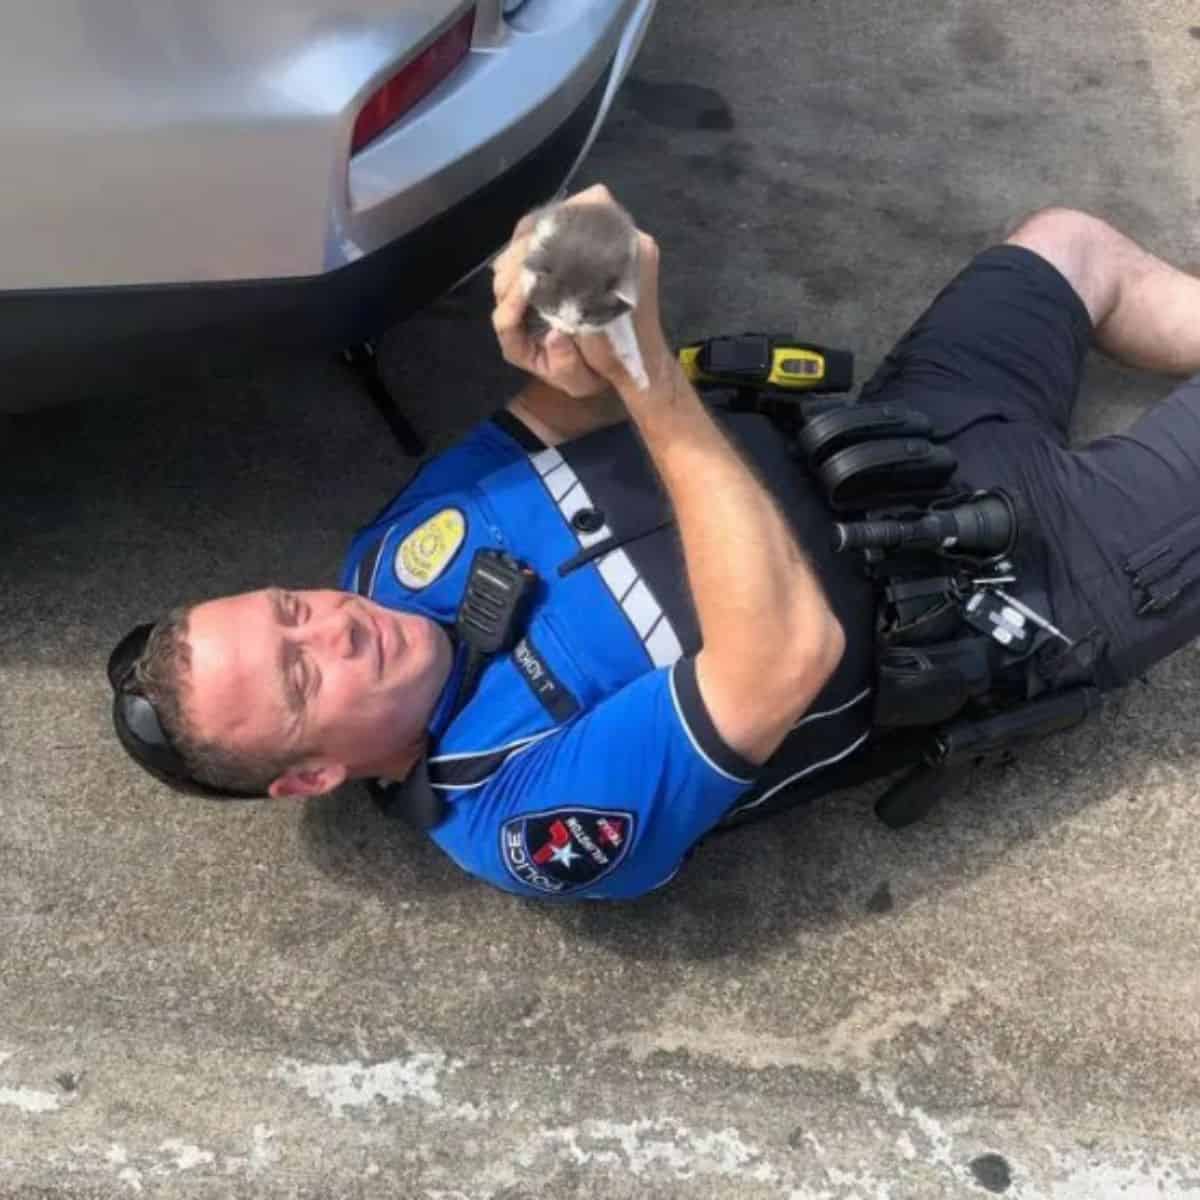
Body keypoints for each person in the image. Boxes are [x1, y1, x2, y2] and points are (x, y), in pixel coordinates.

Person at [109, 184, 1200, 900]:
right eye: (301, 675)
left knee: (1067, 246)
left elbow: (557, 415)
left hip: (900, 432)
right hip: (1033, 579)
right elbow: (784, 657)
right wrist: (649, 376)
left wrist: (561, 300)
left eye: (291, 609)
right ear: (310, 775)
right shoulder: (521, 817)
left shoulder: (392, 560)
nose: (337, 626)